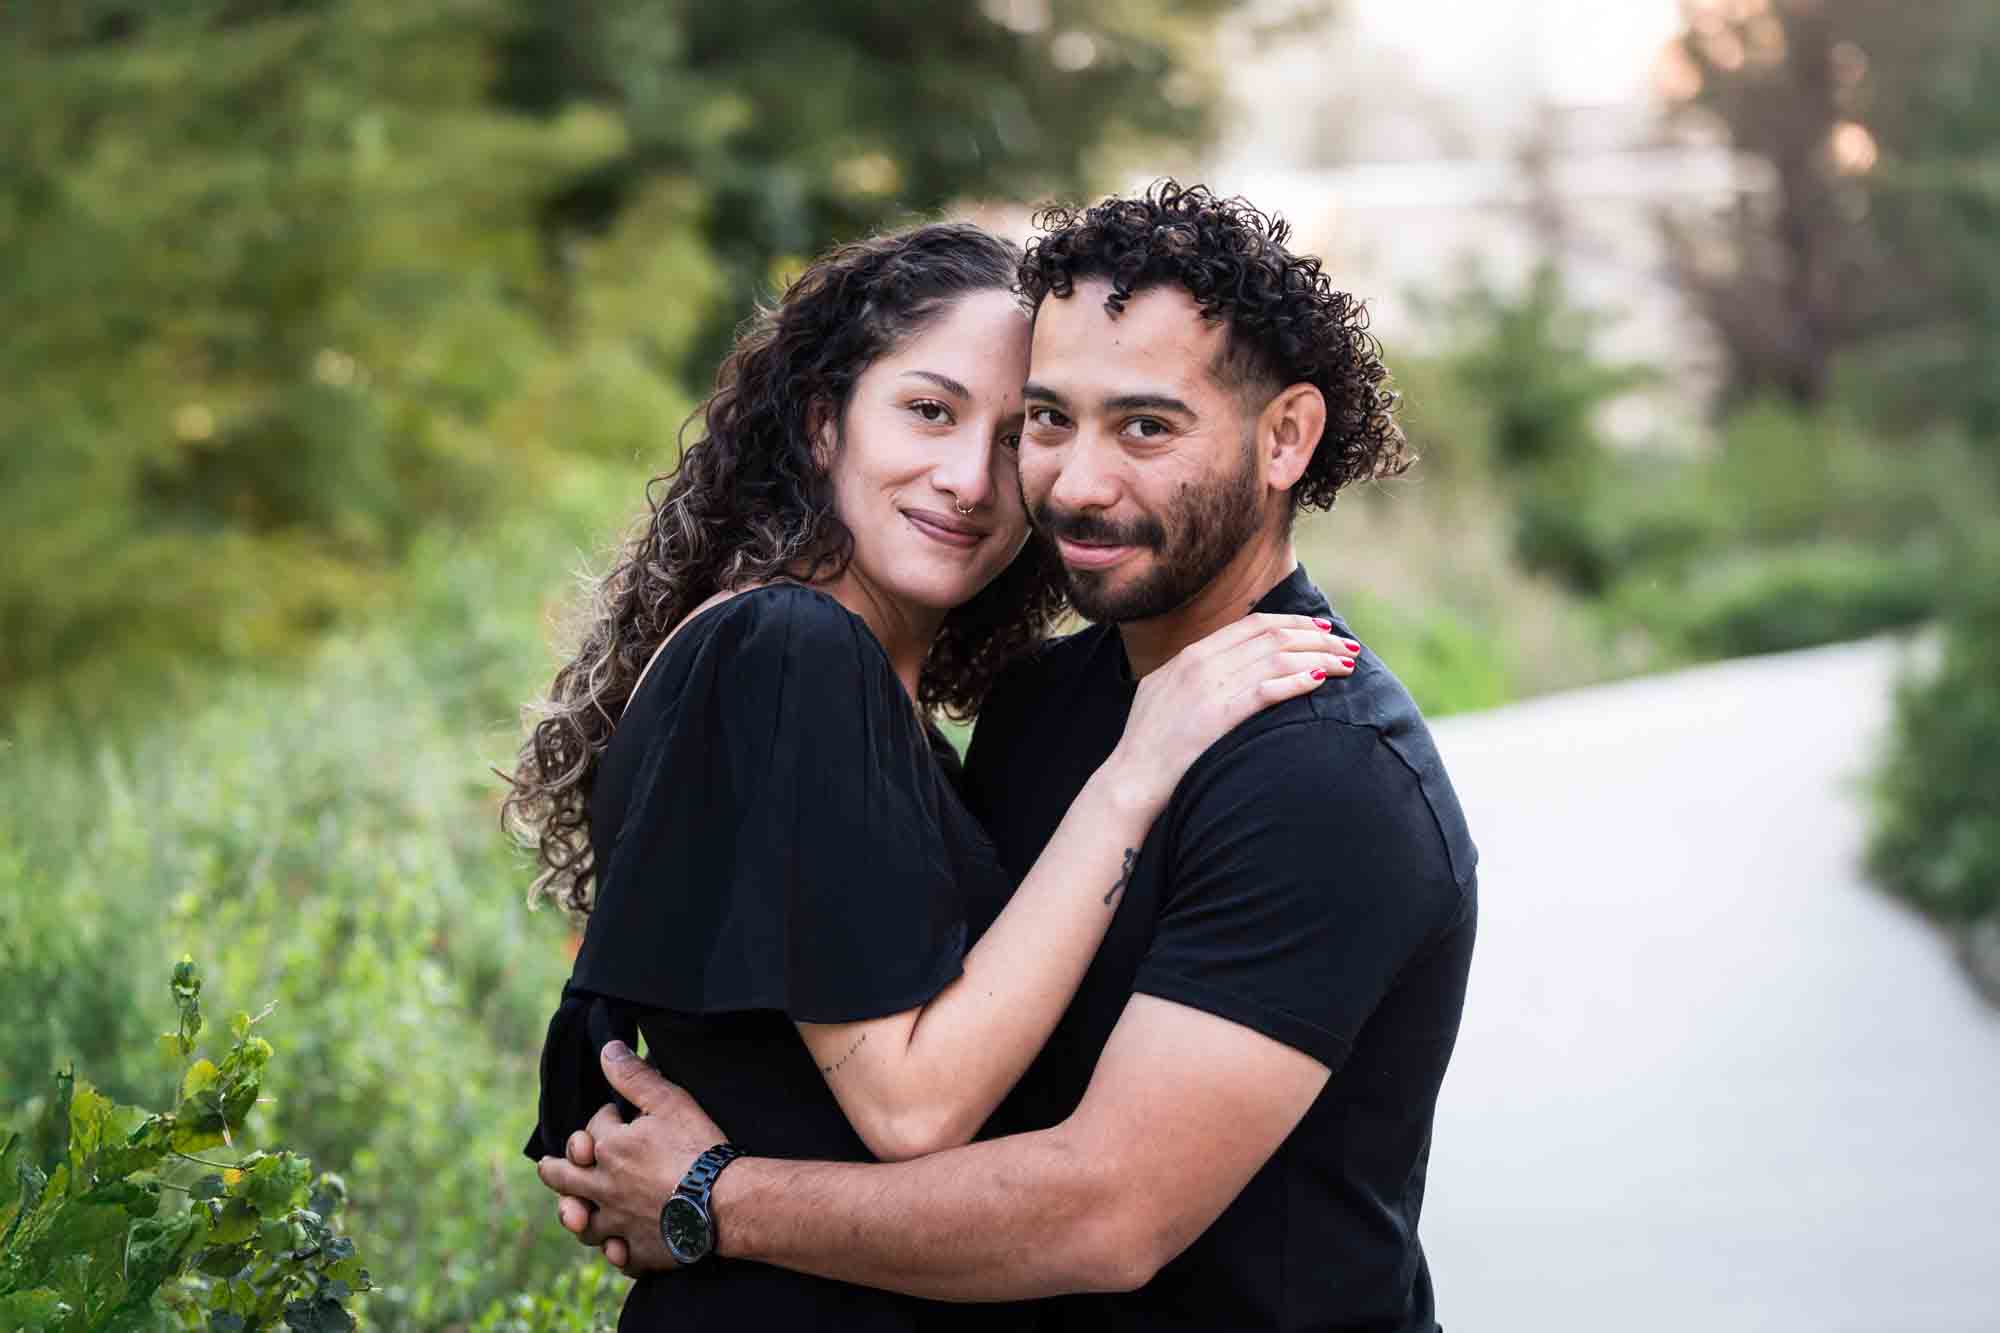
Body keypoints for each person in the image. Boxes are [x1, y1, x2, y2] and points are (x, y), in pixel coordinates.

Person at [539, 183, 1479, 1333]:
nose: (1061, 484)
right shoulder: (1038, 708)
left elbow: (1103, 1212)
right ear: (824, 419)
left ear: (1283, 437)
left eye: (1143, 425)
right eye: (1049, 419)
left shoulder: (1324, 773)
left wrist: (709, 1195)